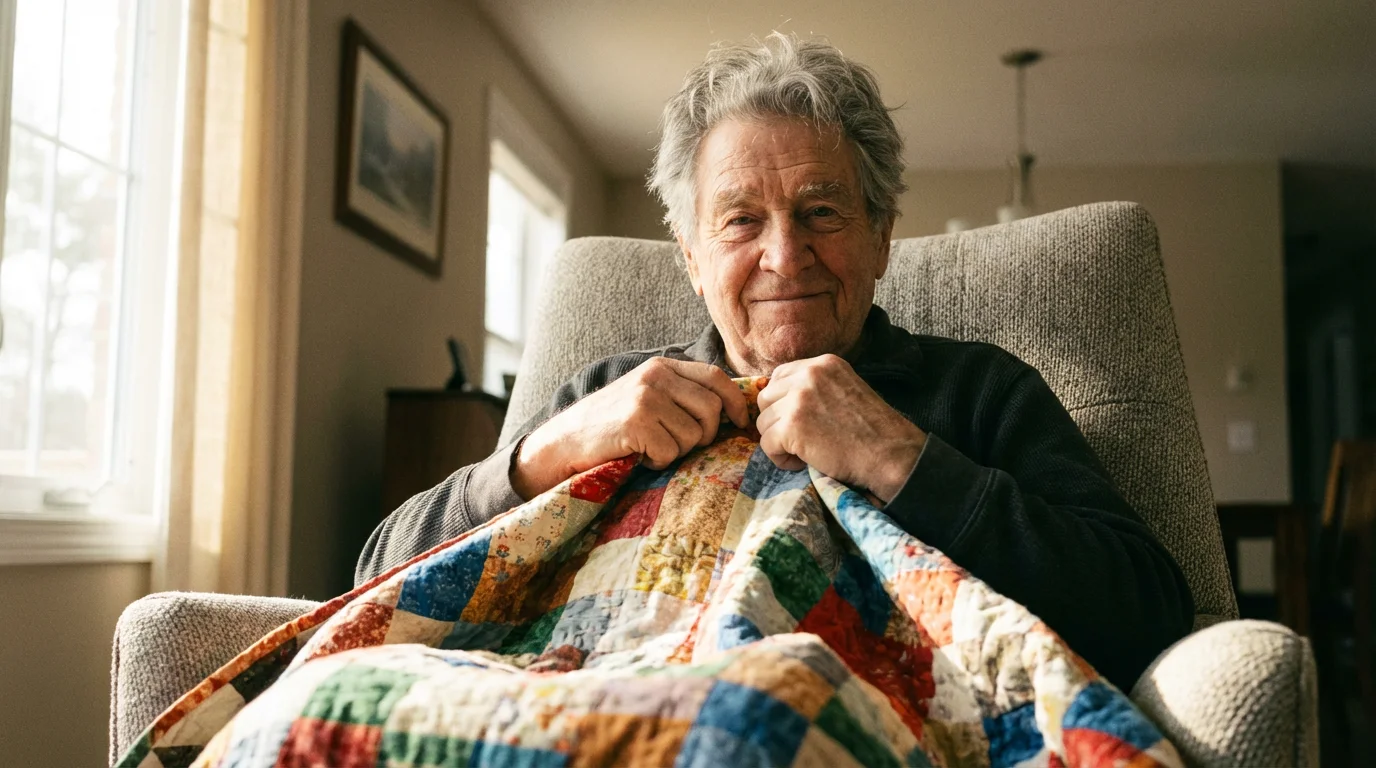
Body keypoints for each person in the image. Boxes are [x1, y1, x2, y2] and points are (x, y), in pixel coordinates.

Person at [356, 33, 1193, 691]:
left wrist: (899, 458)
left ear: (881, 237)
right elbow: (373, 585)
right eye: (741, 220)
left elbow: (1147, 614)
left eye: (822, 211)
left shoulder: (978, 390)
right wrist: (548, 452)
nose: (786, 258)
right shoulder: (604, 395)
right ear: (691, 256)